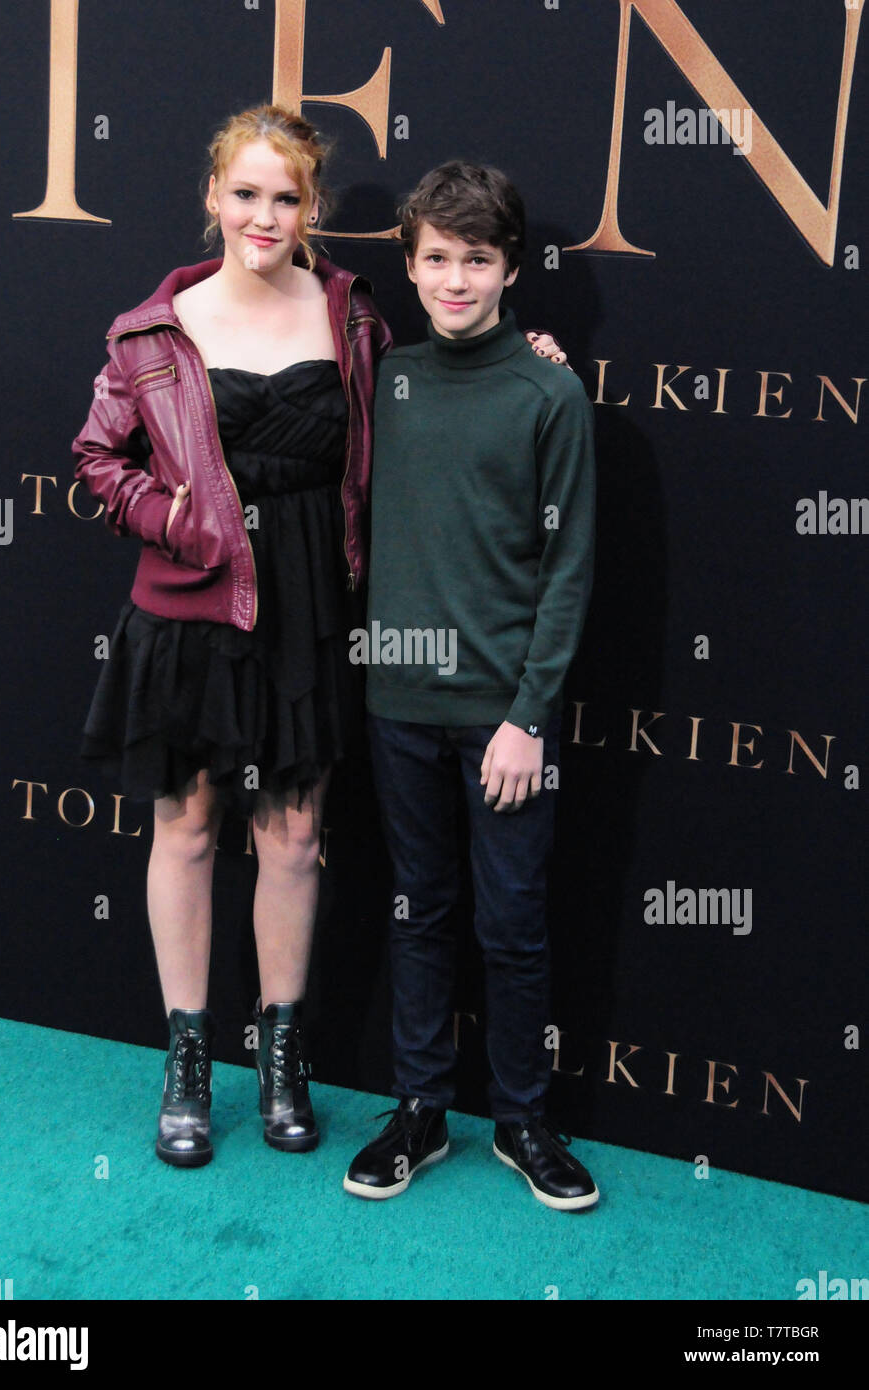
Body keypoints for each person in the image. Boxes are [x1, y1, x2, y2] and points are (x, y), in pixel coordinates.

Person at [72, 107, 566, 1169]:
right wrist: (177, 518)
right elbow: (98, 462)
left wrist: (529, 354)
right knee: (189, 831)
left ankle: (282, 1056)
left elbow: (438, 391)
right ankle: (187, 1061)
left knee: (293, 836)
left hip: (305, 602)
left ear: (311, 210)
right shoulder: (152, 327)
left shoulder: (351, 315)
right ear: (213, 197)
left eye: (285, 197)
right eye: (244, 193)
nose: (263, 214)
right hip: (189, 605)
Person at [343, 162, 600, 1210]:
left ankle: (524, 1119)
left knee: (514, 925)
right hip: (396, 707)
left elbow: (569, 568)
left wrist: (527, 720)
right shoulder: (381, 382)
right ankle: (418, 1110)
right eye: (436, 259)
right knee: (417, 913)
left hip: (502, 722)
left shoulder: (548, 392)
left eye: (475, 260)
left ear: (509, 270)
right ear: (407, 266)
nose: (454, 280)